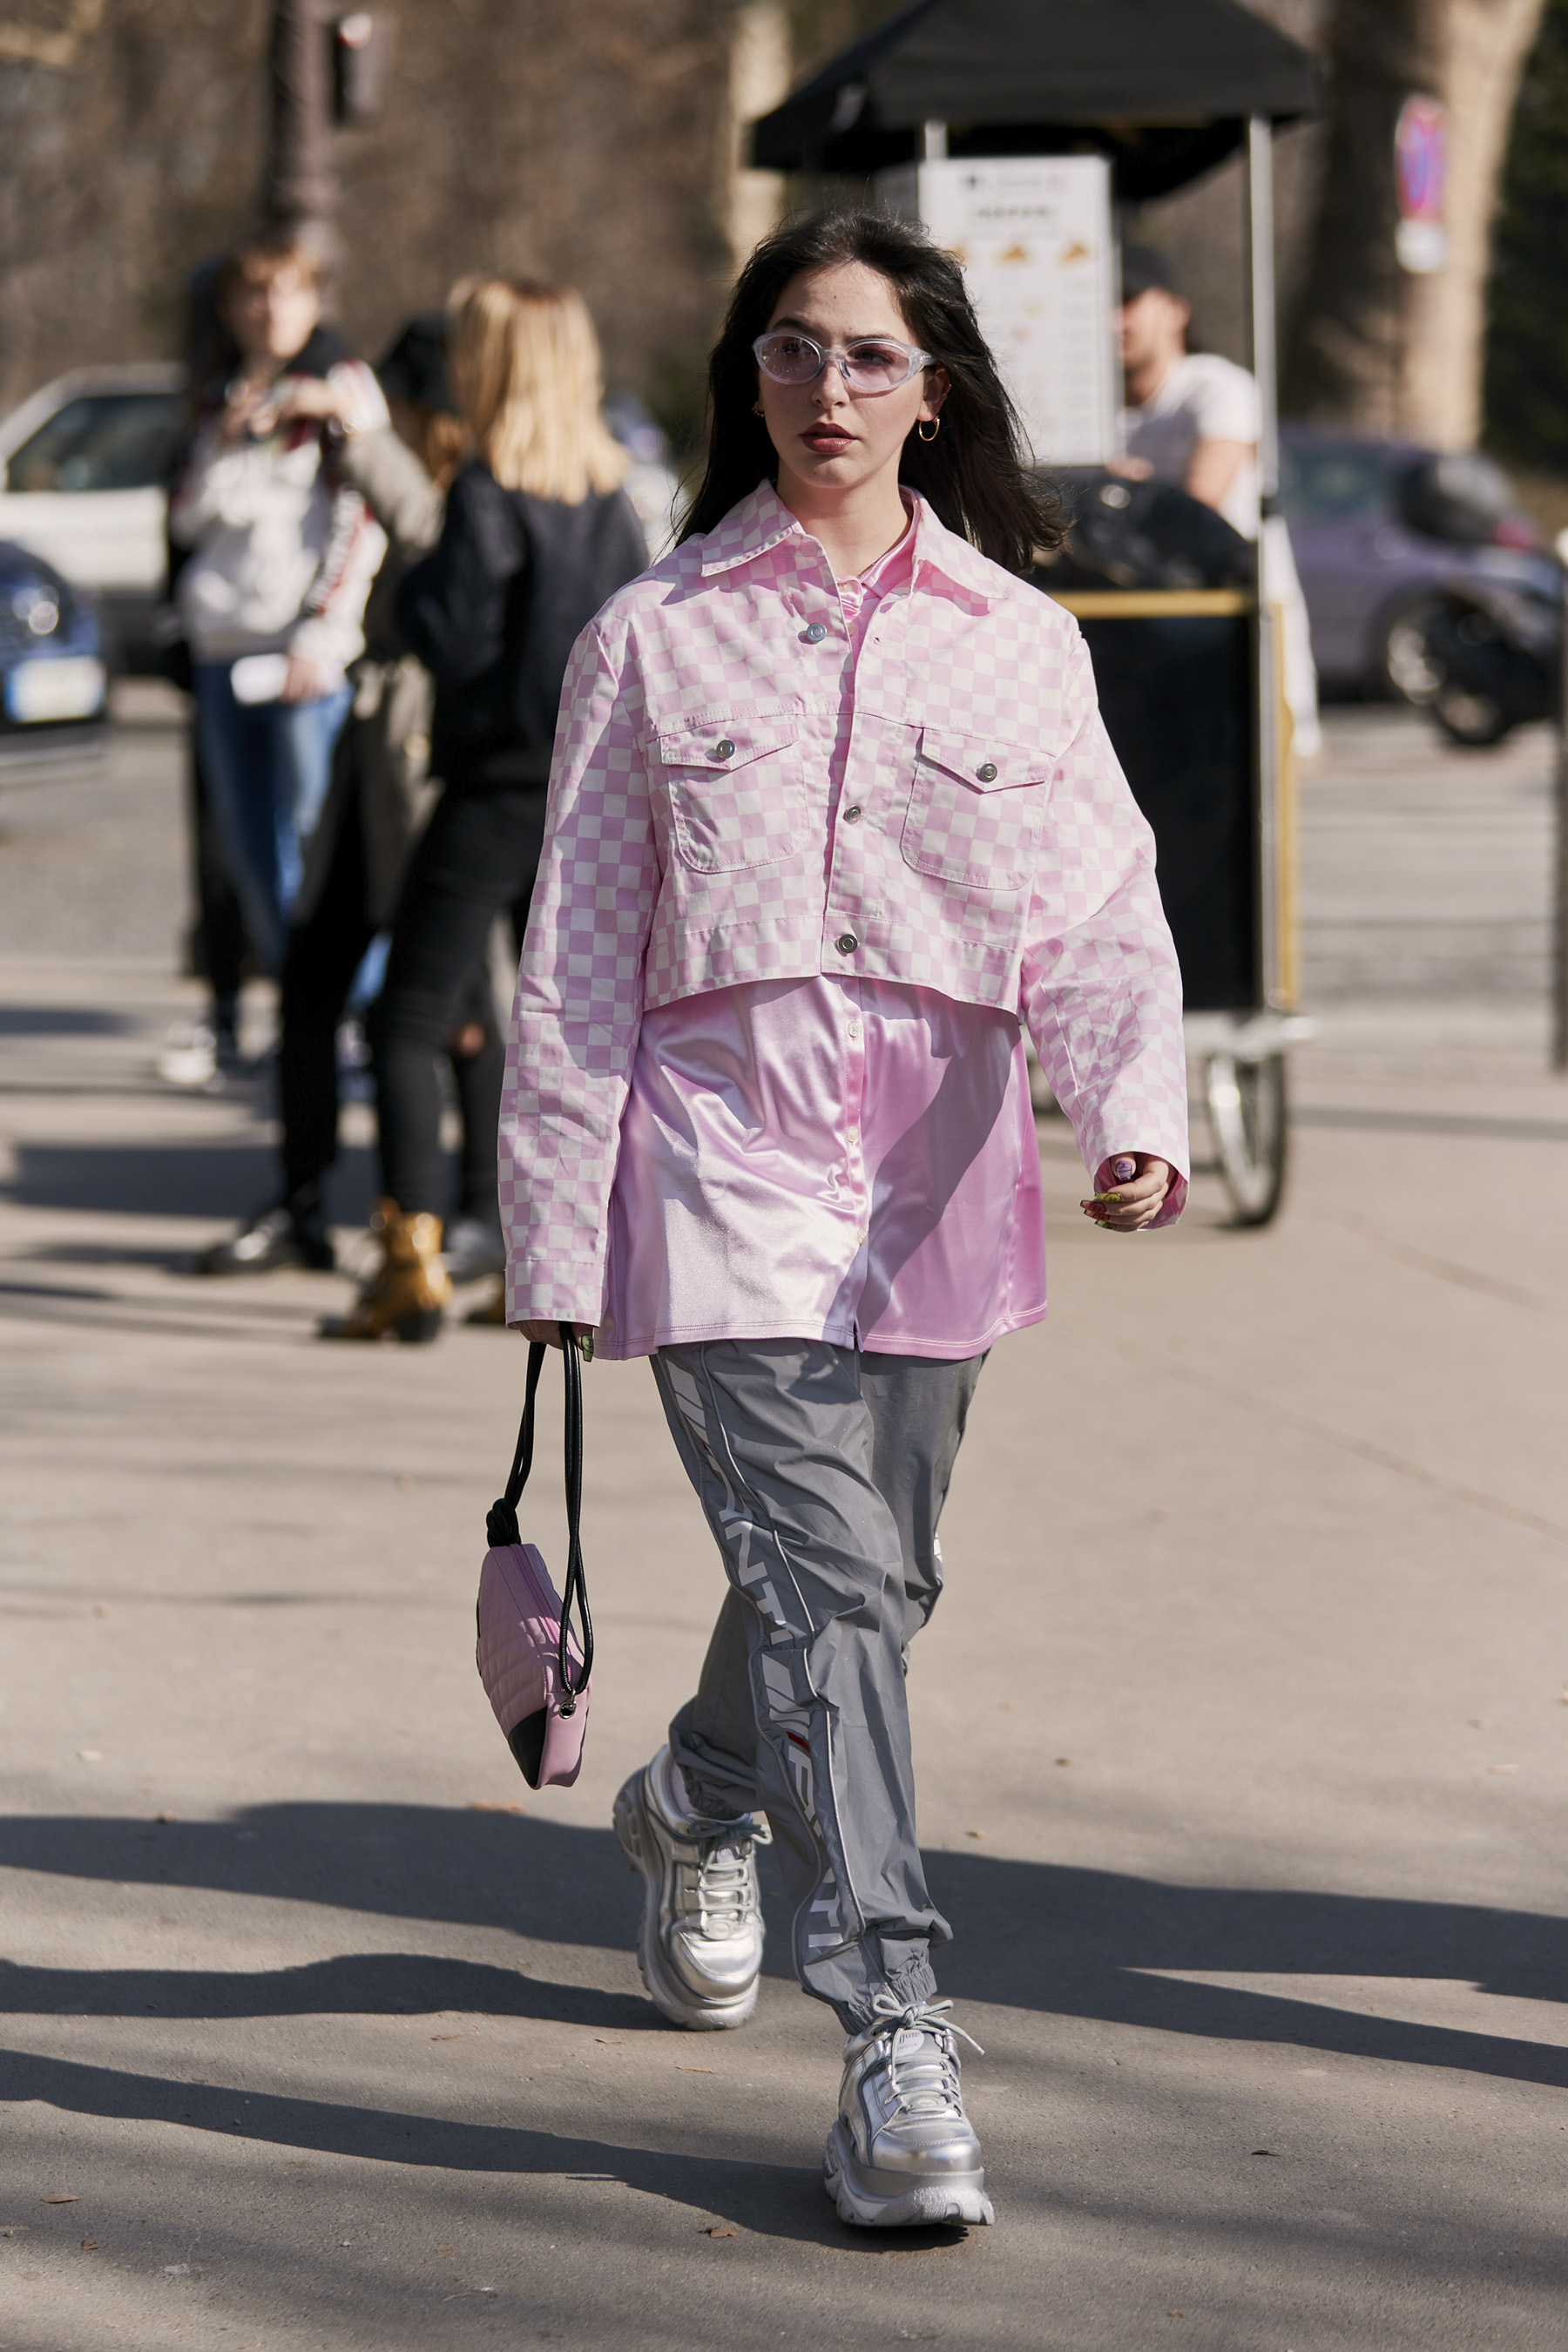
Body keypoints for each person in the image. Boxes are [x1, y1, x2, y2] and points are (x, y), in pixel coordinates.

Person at [499, 208, 1190, 2230]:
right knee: (834, 1585)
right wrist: (558, 1235)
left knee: (866, 1587)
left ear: (934, 388)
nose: (826, 390)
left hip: (939, 1181)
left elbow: (1100, 911)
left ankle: (698, 1791)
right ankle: (893, 2031)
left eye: (869, 357)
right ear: (748, 377)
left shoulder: (1019, 643)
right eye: (791, 351)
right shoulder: (649, 634)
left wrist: (1130, 1104)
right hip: (715, 1170)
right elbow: (576, 961)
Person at [318, 277, 647, 1342]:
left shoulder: (490, 488)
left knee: (407, 1017)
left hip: (495, 779)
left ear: (494, 363)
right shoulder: (608, 492)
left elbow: (454, 637)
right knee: (553, 1024)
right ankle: (542, 1255)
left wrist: (412, 592)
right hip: (582, 782)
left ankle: (409, 1259)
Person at [197, 317, 503, 1281]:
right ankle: (301, 1204)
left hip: (418, 781)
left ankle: (474, 1215)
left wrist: (363, 437)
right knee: (311, 991)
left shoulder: (466, 491)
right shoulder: (379, 484)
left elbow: (433, 537)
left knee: (450, 1006)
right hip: (367, 766)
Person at [169, 231, 388, 983]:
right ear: (228, 307)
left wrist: (321, 634)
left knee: (317, 836)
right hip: (221, 646)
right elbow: (185, 522)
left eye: (285, 292)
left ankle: (353, 1011)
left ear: (313, 299)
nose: (268, 310)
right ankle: (301, 1014)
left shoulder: (343, 382)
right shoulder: (217, 392)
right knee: (247, 842)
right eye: (252, 294)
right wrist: (219, 443)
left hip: (302, 651)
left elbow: (365, 518)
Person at [1116, 244, 1321, 756]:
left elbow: (1199, 503)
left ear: (1175, 311)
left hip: (1239, 635)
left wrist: (1119, 491)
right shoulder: (1096, 412)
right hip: (1154, 654)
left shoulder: (1217, 387)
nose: (1111, 319)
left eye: (1128, 300)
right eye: (1099, 300)